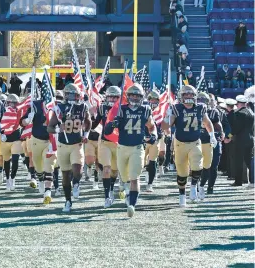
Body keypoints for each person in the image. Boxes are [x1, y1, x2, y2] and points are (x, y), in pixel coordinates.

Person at [105, 84, 157, 217]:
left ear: (141, 97)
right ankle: (128, 193)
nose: (134, 97)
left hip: (137, 147)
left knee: (135, 177)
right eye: (132, 95)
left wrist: (154, 135)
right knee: (124, 177)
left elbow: (152, 126)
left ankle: (132, 205)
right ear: (128, 96)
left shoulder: (145, 110)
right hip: (122, 147)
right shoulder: (121, 110)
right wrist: (113, 124)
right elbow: (106, 131)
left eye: (137, 95)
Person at [161, 85, 216, 207]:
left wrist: (212, 135)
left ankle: (193, 187)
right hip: (180, 143)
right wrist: (167, 116)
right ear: (182, 96)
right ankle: (182, 195)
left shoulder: (200, 108)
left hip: (195, 141)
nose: (189, 96)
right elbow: (165, 127)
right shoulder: (176, 108)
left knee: (197, 165)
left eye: (191, 94)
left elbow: (207, 122)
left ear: (195, 96)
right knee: (182, 173)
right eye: (186, 94)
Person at [47, 84, 90, 212]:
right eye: (70, 94)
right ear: (65, 95)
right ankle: (67, 201)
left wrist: (86, 134)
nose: (72, 97)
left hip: (76, 143)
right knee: (65, 174)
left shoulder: (82, 107)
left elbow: (88, 122)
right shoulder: (59, 108)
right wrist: (57, 129)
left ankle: (76, 183)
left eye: (74, 94)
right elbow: (49, 127)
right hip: (62, 145)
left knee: (77, 170)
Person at [91, 86, 121, 207]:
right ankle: (107, 196)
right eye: (111, 96)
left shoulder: (123, 108)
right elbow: (95, 123)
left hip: (118, 142)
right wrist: (89, 120)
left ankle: (112, 187)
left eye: (115, 97)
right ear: (106, 96)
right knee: (107, 169)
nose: (113, 99)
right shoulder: (102, 107)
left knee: (115, 171)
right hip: (104, 141)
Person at [0, 94, 23, 191]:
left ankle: (12, 177)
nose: (12, 105)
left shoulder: (19, 112)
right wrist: (1, 133)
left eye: (14, 103)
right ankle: (8, 178)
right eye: (10, 102)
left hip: (16, 139)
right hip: (5, 139)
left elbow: (23, 123)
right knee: (6, 161)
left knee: (15, 160)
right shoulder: (2, 112)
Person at [231, 95, 254, 188]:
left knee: (238, 161)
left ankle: (238, 181)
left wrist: (229, 135)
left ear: (238, 104)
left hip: (241, 140)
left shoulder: (239, 113)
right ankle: (253, 180)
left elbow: (236, 128)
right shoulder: (251, 113)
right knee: (249, 161)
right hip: (250, 139)